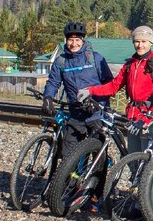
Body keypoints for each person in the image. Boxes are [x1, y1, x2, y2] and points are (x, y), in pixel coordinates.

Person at [85, 25, 153, 152]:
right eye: (137, 41)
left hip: (149, 122)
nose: (140, 45)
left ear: (150, 42)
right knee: (132, 163)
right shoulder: (130, 65)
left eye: (144, 41)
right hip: (132, 119)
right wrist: (90, 90)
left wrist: (148, 118)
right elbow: (113, 86)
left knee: (146, 164)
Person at [42, 20, 114, 155]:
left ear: (83, 40)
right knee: (68, 155)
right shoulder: (61, 61)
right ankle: (70, 176)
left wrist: (99, 103)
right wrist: (48, 97)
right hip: (76, 113)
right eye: (70, 39)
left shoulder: (95, 58)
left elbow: (109, 84)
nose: (74, 44)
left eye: (77, 39)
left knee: (98, 154)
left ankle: (97, 176)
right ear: (66, 40)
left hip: (96, 113)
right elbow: (53, 82)